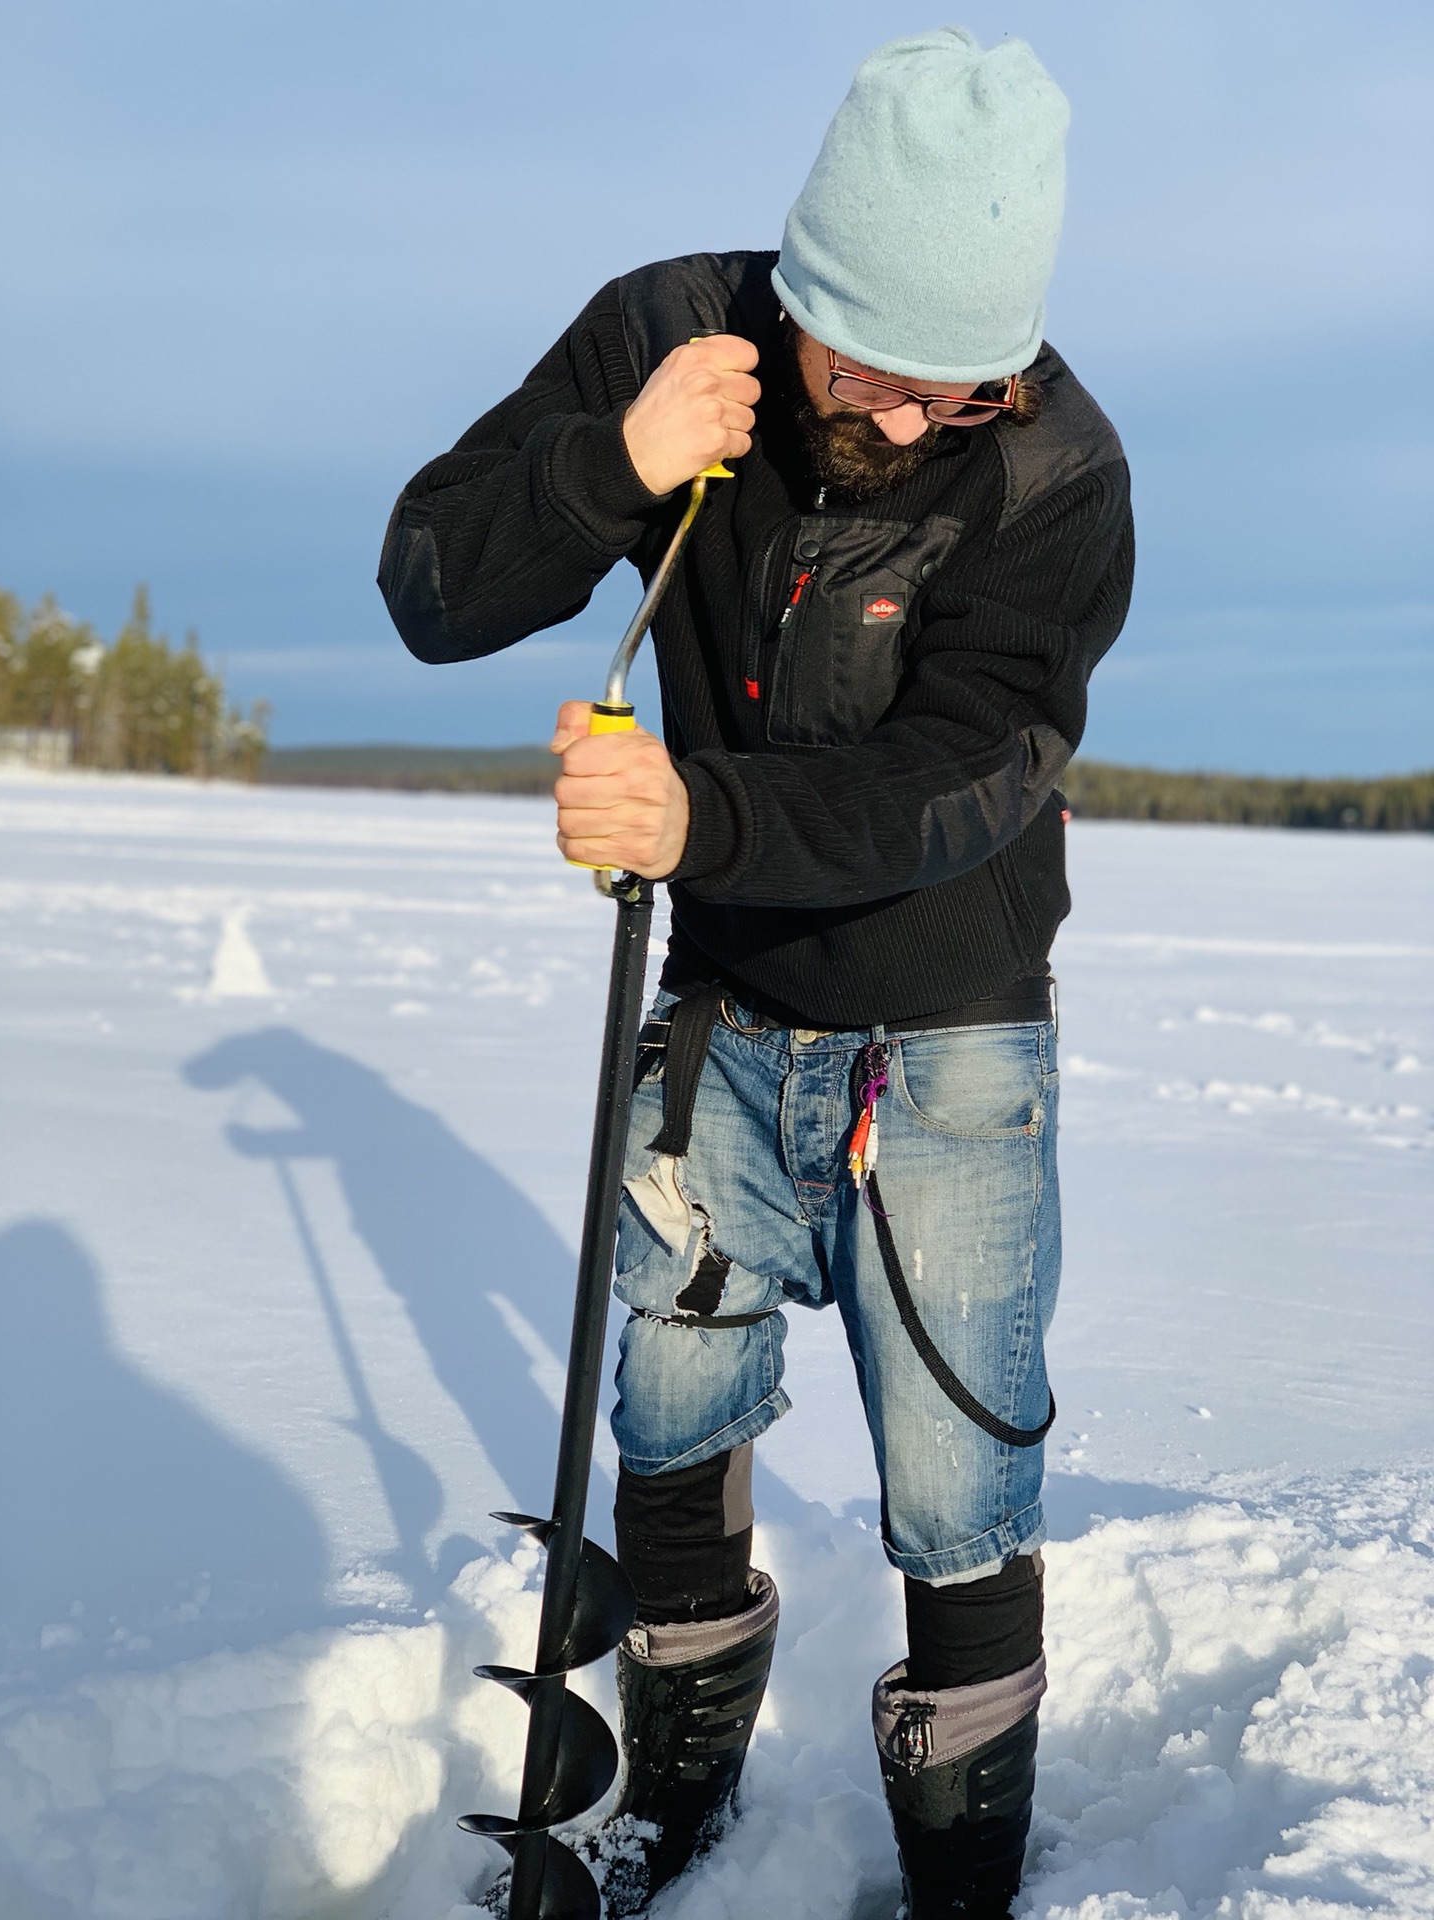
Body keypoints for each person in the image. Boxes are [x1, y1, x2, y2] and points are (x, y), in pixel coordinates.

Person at [380, 27, 1133, 1918]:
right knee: (672, 1423)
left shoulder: (1053, 467)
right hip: (720, 1024)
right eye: (875, 372)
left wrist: (692, 820)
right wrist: (600, 471)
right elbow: (426, 587)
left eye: (956, 393)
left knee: (962, 1490)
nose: (902, 425)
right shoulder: (662, 331)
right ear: (800, 294)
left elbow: (962, 779)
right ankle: (665, 1816)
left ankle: (964, 1889)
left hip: (948, 1049)